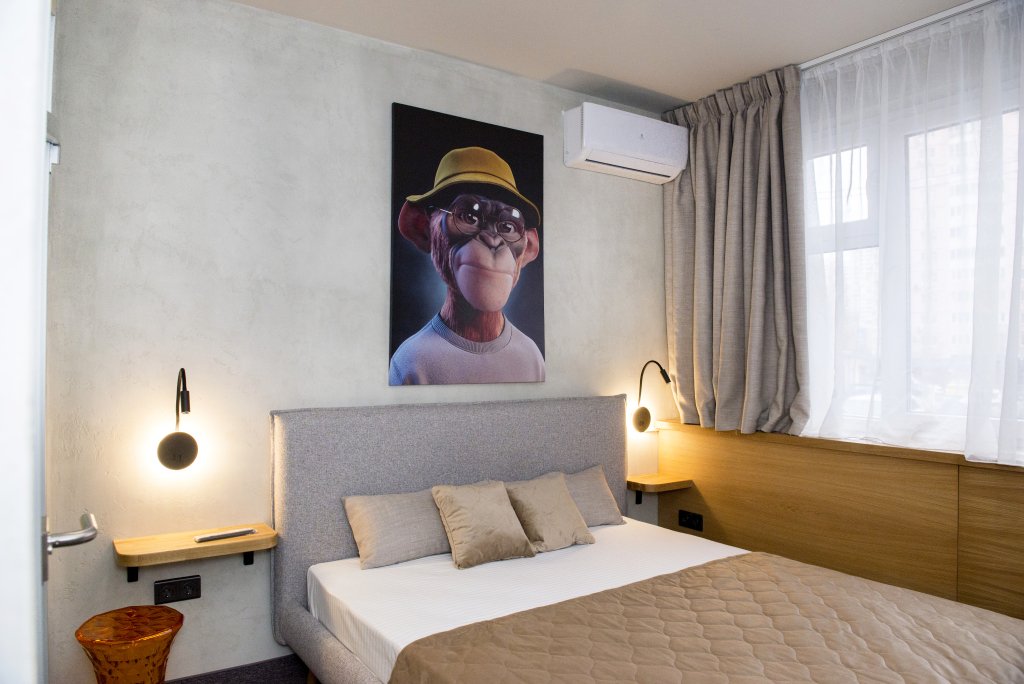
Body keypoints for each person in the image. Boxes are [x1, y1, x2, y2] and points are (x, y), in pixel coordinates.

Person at [389, 146, 544, 385]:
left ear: (528, 247)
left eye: (508, 226)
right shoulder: (411, 361)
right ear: (423, 228)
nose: (492, 241)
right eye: (469, 217)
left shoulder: (531, 356)